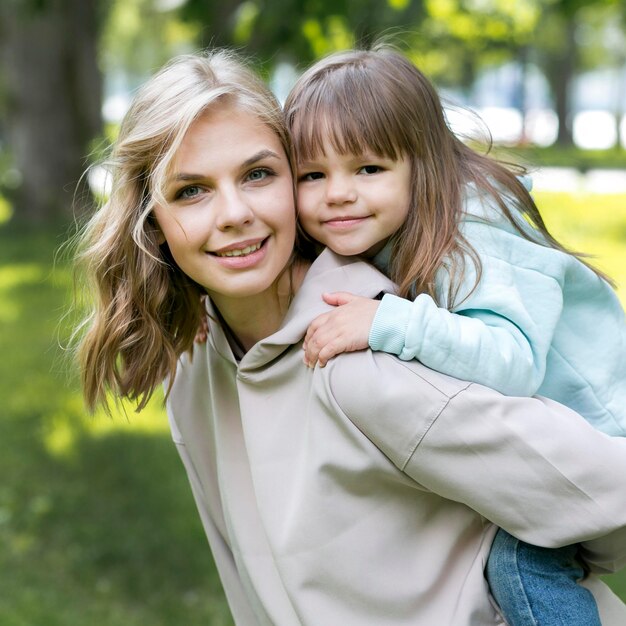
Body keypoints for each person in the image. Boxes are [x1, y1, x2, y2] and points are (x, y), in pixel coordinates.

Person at [73, 50, 626, 625]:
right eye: (191, 190)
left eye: (257, 174)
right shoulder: (196, 369)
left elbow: (608, 487)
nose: (234, 213)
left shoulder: (365, 353)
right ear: (150, 220)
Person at [284, 46, 626, 625]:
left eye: (368, 168)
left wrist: (387, 320)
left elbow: (511, 360)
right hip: (538, 440)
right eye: (312, 176)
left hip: (602, 432)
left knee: (522, 564)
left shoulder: (472, 230)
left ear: (424, 163)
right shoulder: (392, 219)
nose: (337, 193)